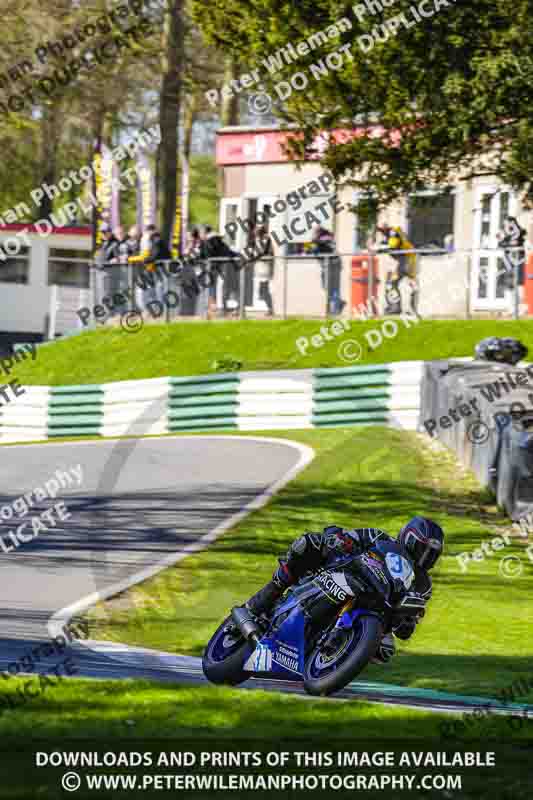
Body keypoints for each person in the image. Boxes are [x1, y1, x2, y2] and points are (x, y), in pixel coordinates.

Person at [236, 516, 444, 664]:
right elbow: (347, 536)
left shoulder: (423, 587)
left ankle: (334, 655)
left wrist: (407, 621)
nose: (425, 557)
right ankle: (260, 602)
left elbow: (405, 630)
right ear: (408, 538)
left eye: (432, 554)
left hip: (377, 609)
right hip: (343, 572)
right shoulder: (379, 537)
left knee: (385, 649)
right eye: (423, 549)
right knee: (307, 544)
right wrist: (339, 539)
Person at [376, 224, 418, 315]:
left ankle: (400, 307)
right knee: (395, 283)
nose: (381, 233)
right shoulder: (391, 234)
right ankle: (402, 307)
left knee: (396, 283)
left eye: (382, 230)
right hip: (405, 258)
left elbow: (393, 245)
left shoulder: (393, 232)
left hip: (408, 258)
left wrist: (380, 248)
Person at [310, 224, 342, 312]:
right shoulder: (320, 239)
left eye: (315, 231)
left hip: (333, 263)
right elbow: (314, 248)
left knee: (333, 287)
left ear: (319, 231)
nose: (314, 233)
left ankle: (334, 310)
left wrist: (315, 241)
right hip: (327, 264)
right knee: (326, 286)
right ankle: (333, 307)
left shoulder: (326, 237)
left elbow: (324, 244)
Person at [497, 215, 526, 292]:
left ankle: (517, 291)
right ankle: (509, 288)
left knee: (519, 280)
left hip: (517, 258)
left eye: (507, 224)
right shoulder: (504, 234)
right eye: (505, 224)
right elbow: (500, 244)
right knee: (509, 276)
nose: (506, 226)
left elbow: (518, 241)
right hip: (509, 259)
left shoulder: (519, 232)